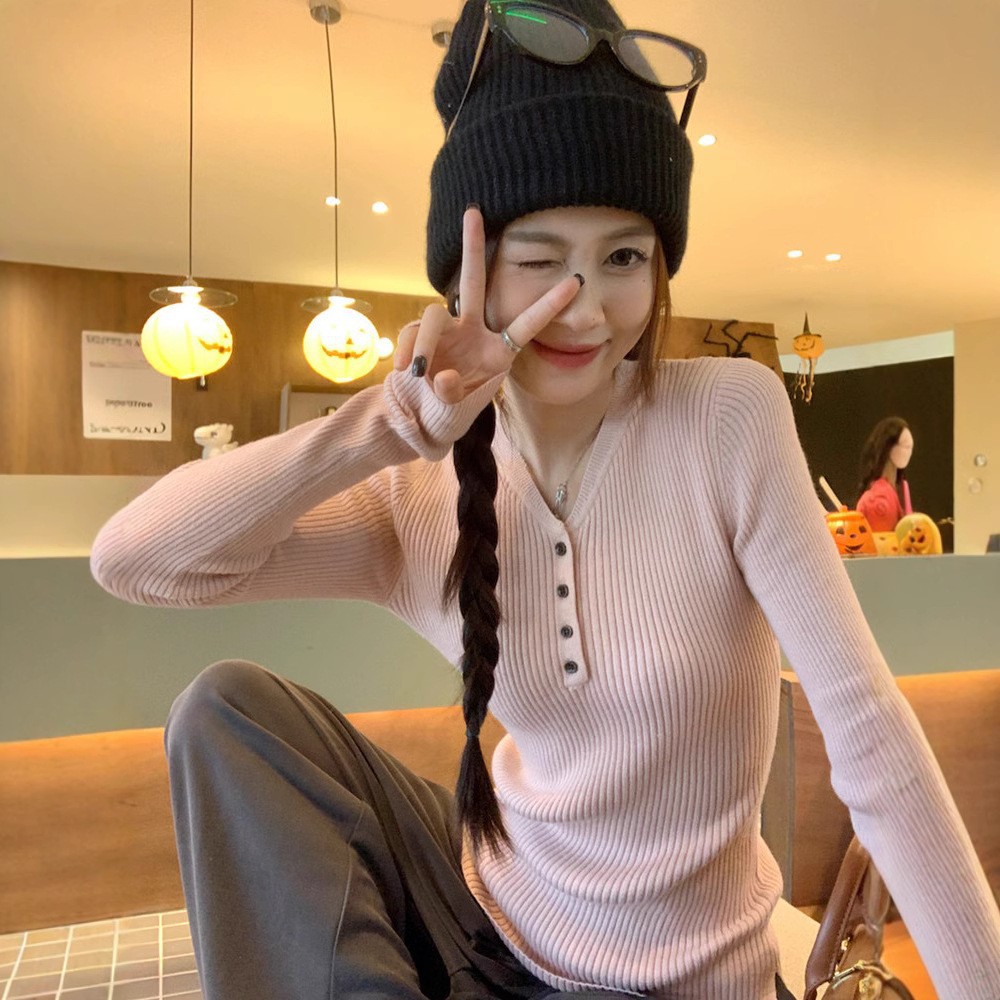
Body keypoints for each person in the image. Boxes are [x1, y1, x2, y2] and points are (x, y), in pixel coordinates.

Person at [90, 2, 1000, 998]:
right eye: (539, 259)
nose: (586, 306)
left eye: (623, 257)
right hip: (490, 921)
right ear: (467, 275)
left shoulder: (727, 418)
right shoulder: (414, 485)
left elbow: (866, 731)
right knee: (227, 712)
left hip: (690, 979)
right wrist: (385, 426)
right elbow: (136, 561)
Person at [856, 417, 914, 531]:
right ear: (888, 447)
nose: (908, 451)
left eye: (910, 447)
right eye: (904, 445)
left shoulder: (900, 489)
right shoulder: (879, 497)